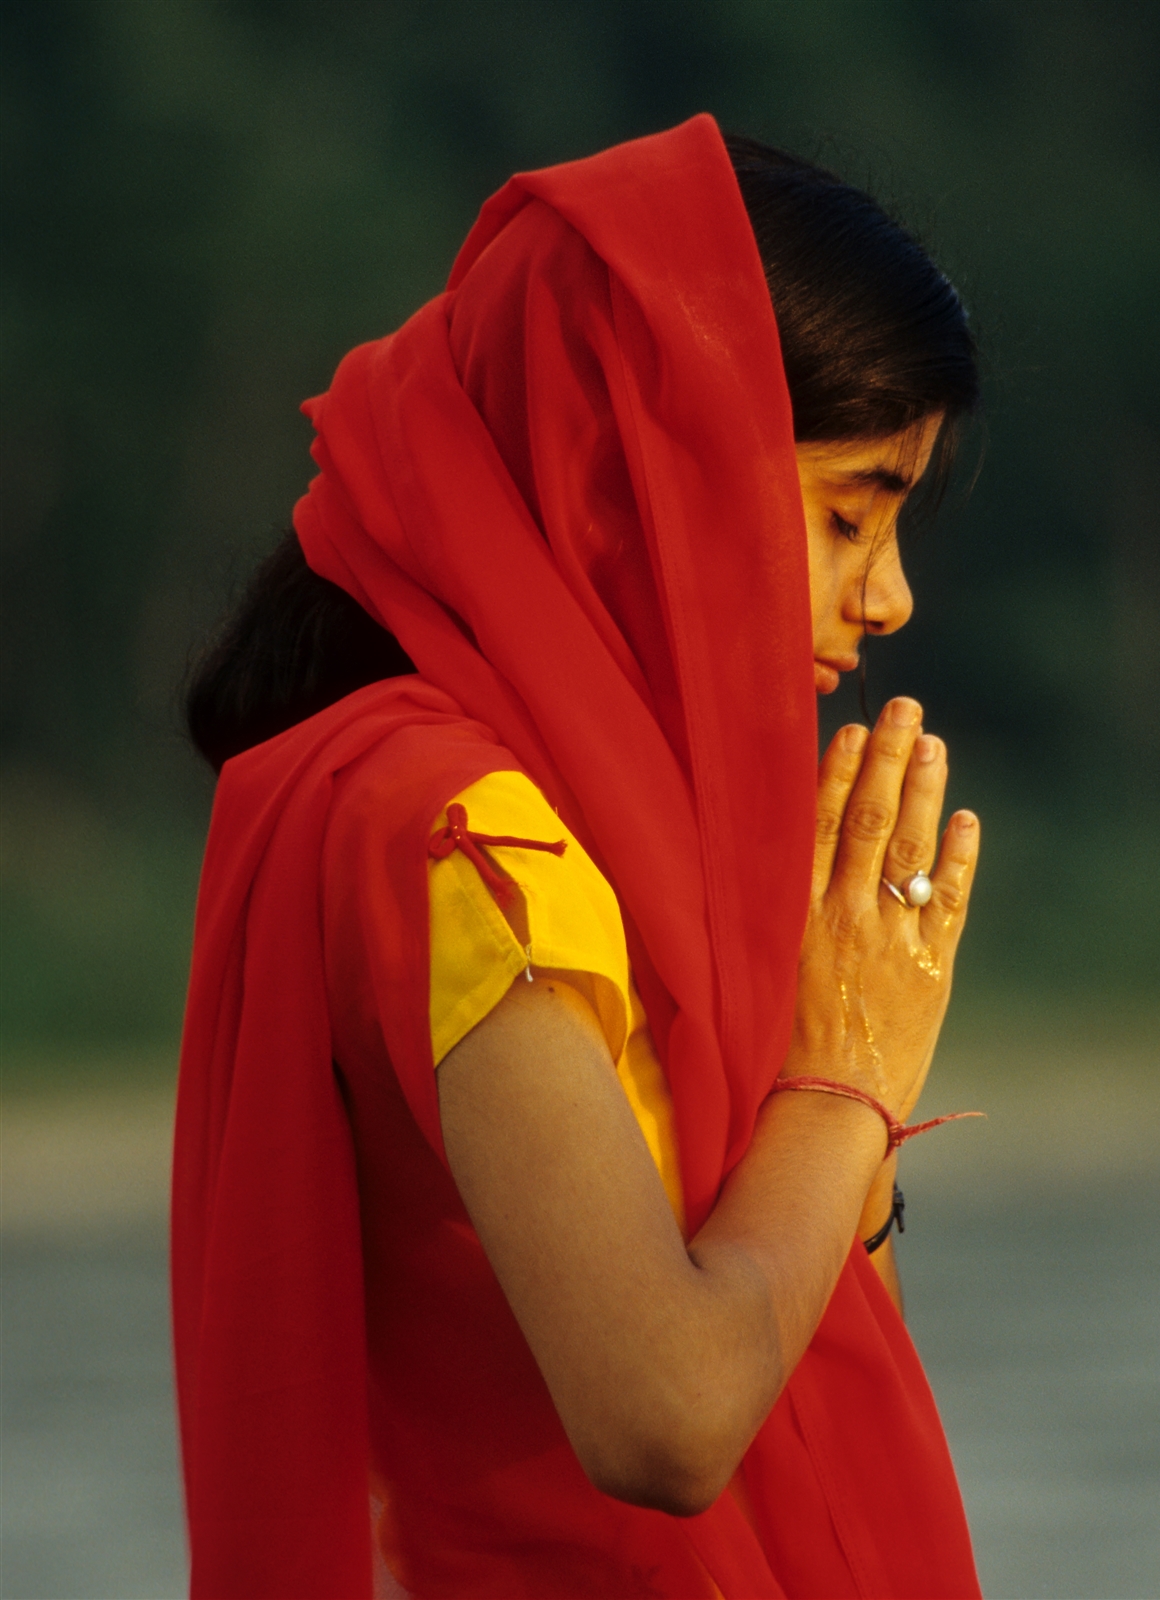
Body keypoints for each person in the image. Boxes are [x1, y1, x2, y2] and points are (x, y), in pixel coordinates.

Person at [175, 114, 983, 1599]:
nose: (888, 598)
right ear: (636, 475)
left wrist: (840, 1123)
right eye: (845, 514)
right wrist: (847, 1082)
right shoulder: (471, 839)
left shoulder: (612, 842)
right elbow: (666, 1420)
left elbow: (815, 1352)